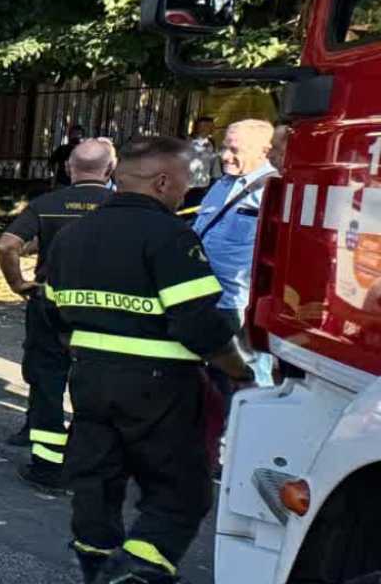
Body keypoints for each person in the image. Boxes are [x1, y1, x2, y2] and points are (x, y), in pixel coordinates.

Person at [44, 137, 255, 583]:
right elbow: (198, 324)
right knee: (181, 490)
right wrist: (240, 372)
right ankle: (138, 569)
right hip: (161, 387)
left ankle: (97, 566)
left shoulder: (71, 236)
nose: (187, 192)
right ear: (162, 182)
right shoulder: (171, 236)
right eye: (184, 182)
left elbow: (53, 314)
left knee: (96, 482)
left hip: (90, 381)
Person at [0, 139, 116, 492]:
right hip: (106, 311)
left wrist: (18, 283)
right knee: (96, 387)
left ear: (69, 168)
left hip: (51, 305)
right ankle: (87, 463)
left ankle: (48, 467)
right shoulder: (122, 208)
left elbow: (7, 244)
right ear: (110, 170)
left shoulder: (47, 204)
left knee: (48, 384)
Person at [192, 119, 277, 331]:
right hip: (203, 297)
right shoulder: (222, 183)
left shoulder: (274, 190)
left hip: (238, 305)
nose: (224, 156)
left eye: (234, 150)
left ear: (264, 151)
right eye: (223, 148)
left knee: (245, 364)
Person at [183, 116, 221, 210]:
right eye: (206, 126)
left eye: (211, 127)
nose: (210, 130)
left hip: (201, 187)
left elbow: (215, 165)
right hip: (185, 186)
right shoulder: (185, 143)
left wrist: (216, 182)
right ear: (198, 127)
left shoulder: (211, 144)